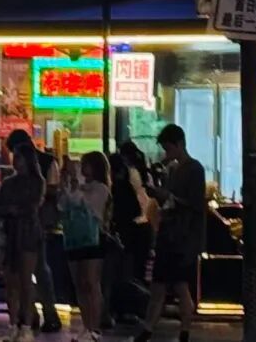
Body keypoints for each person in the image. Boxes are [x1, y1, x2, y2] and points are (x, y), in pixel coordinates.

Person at [133, 125, 207, 342]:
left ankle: (171, 329)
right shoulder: (174, 169)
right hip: (172, 234)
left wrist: (167, 197)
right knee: (167, 284)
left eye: (169, 148)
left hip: (181, 236)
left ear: (179, 144)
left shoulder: (194, 169)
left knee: (176, 284)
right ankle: (160, 328)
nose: (167, 153)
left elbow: (194, 204)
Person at [5, 129, 63, 332]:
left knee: (35, 270)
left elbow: (54, 190)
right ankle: (36, 313)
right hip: (36, 223)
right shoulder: (47, 162)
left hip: (37, 224)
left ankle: (40, 313)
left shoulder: (42, 167)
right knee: (35, 270)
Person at [0, 142, 45, 342]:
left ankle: (25, 325)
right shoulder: (8, 183)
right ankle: (13, 324)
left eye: (19, 157)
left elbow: (32, 206)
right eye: (14, 157)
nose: (15, 161)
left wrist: (12, 209)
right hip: (11, 233)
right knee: (11, 282)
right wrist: (10, 210)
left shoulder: (36, 182)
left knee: (25, 280)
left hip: (27, 233)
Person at [61, 153, 111, 342]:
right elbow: (63, 204)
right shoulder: (78, 186)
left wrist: (74, 183)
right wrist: (66, 182)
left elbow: (86, 205)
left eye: (86, 164)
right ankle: (86, 325)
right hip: (73, 237)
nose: (83, 168)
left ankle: (94, 327)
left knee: (91, 282)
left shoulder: (101, 189)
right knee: (79, 284)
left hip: (92, 238)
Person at [113, 141, 153, 285]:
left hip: (131, 225)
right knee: (139, 269)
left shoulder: (127, 174)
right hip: (143, 222)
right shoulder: (143, 172)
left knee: (128, 268)